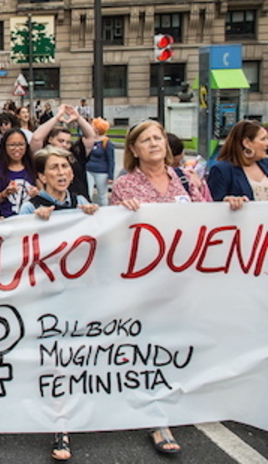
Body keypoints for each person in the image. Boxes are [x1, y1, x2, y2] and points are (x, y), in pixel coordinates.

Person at [110, 119, 222, 457]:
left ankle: (185, 399)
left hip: (188, 280)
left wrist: (232, 209)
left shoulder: (189, 179)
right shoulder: (125, 185)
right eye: (145, 140)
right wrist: (123, 213)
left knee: (182, 341)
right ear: (134, 150)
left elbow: (211, 220)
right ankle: (157, 416)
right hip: (147, 283)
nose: (154, 144)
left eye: (158, 137)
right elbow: (114, 236)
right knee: (151, 346)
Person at [18, 147, 98, 461]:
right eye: (54, 168)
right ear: (41, 176)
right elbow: (16, 248)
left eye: (65, 167)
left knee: (74, 355)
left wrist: (94, 217)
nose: (62, 173)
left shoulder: (81, 204)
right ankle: (60, 424)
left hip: (79, 291)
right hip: (45, 294)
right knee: (54, 359)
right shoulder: (30, 207)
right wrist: (33, 224)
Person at [31, 103, 97, 200]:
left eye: (68, 142)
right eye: (60, 141)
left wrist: (78, 118)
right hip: (52, 203)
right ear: (50, 139)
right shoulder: (43, 155)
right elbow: (36, 138)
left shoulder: (75, 153)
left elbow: (90, 136)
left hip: (80, 203)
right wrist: (56, 118)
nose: (65, 145)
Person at [206, 119, 268, 204]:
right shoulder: (222, 170)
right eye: (263, 139)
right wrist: (227, 201)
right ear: (247, 143)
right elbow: (212, 204)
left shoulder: (265, 164)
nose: (267, 143)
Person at [0, 128, 38, 218]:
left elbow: (43, 193)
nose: (17, 149)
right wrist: (4, 194)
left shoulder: (33, 166)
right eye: (12, 145)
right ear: (4, 146)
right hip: (5, 221)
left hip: (30, 220)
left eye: (21, 144)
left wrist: (36, 193)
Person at [85, 118, 115, 206]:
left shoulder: (107, 142)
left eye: (93, 125)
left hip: (101, 171)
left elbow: (111, 160)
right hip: (88, 169)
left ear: (97, 129)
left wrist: (110, 176)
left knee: (102, 195)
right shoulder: (90, 140)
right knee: (88, 193)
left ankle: (105, 212)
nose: (90, 126)